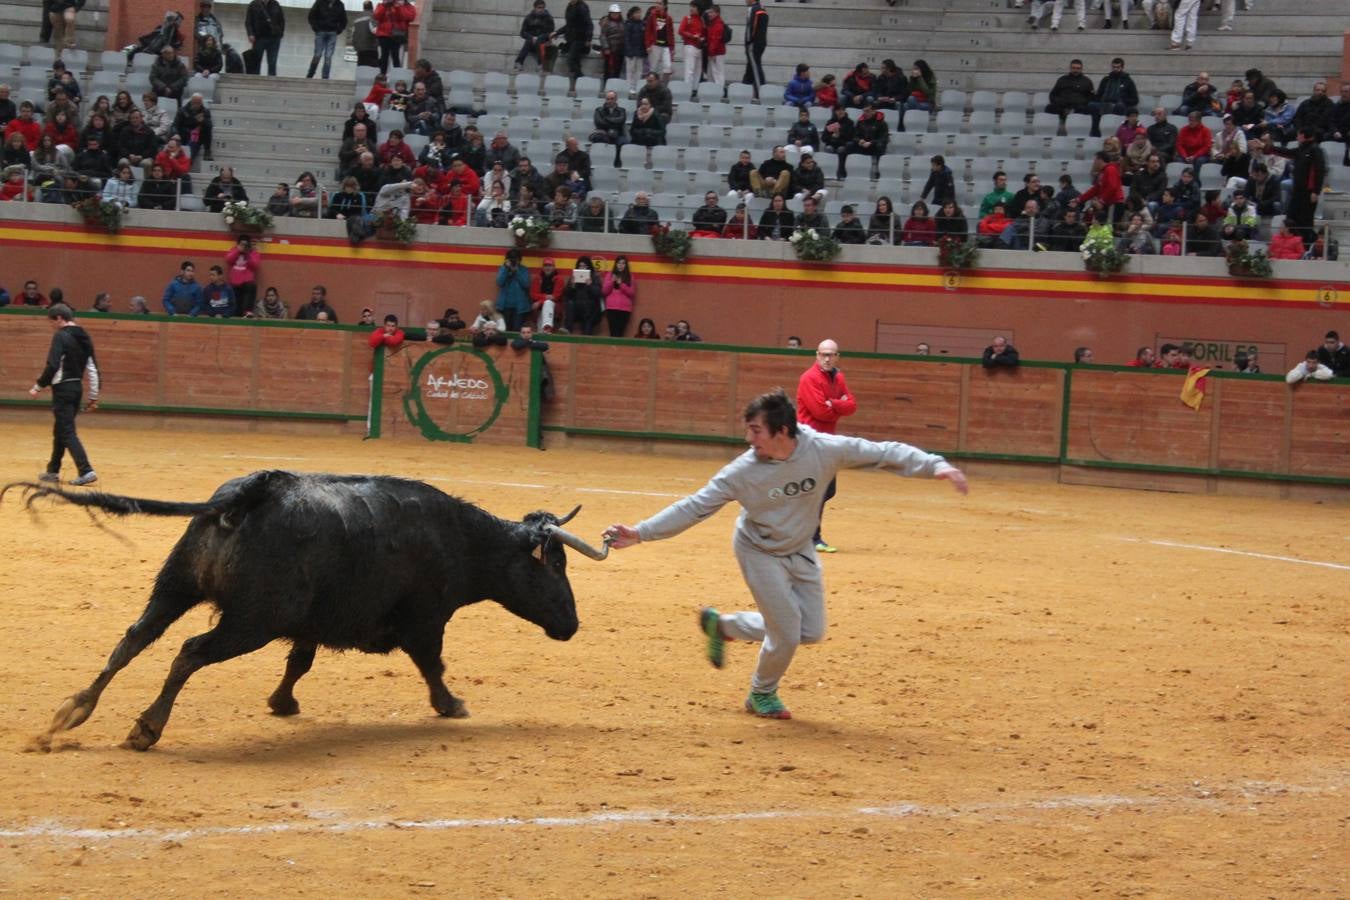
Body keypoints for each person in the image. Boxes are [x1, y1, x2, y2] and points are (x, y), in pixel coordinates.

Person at [602, 389, 967, 720]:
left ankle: (725, 626)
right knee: (787, 632)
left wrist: (935, 464)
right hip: (758, 549)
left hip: (799, 548)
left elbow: (884, 452)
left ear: (782, 431)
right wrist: (641, 533)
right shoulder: (742, 471)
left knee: (809, 631)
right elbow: (695, 506)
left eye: (756, 431)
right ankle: (761, 693)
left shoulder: (823, 449)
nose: (749, 439)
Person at [795, 339, 856, 553]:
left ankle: (806, 535)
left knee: (826, 490)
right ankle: (811, 537)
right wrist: (837, 404)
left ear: (838, 356)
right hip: (810, 442)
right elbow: (820, 411)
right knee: (816, 490)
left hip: (827, 443)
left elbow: (852, 405)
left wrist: (835, 404)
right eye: (824, 354)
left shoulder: (838, 377)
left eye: (831, 354)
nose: (827, 358)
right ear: (817, 355)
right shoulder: (809, 378)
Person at [28, 303, 99, 486]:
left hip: (63, 390)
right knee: (61, 429)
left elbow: (52, 365)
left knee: (66, 431)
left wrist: (38, 385)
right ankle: (53, 470)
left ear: (59, 318)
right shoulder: (84, 336)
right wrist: (93, 395)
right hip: (77, 388)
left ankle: (86, 470)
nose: (51, 325)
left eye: (52, 321)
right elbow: (92, 368)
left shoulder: (61, 336)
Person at [307, 0, 349, 79]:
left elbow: (344, 20)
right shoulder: (320, 2)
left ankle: (325, 77)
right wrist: (315, 28)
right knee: (317, 54)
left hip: (332, 33)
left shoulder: (340, 4)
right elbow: (311, 16)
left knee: (328, 56)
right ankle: (310, 74)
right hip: (320, 31)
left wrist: (338, 30)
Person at [374, 0, 417, 74]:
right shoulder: (382, 5)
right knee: (384, 57)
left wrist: (398, 7)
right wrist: (384, 5)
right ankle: (382, 76)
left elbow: (405, 17)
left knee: (396, 57)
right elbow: (376, 16)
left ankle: (397, 77)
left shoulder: (408, 6)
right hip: (384, 34)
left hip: (397, 35)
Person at [245, 0, 287, 77]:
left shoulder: (275, 4)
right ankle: (255, 80)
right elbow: (248, 21)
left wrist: (280, 33)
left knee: (272, 62)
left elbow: (282, 20)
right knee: (256, 61)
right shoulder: (254, 4)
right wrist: (250, 34)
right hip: (259, 38)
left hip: (274, 38)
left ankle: (271, 81)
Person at [515, 0, 556, 73]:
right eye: (539, 7)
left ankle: (541, 64)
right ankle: (519, 63)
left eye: (543, 8)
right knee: (529, 40)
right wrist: (532, 37)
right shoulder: (529, 18)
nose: (541, 9)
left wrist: (539, 37)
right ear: (534, 8)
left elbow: (550, 33)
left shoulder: (548, 18)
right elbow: (522, 32)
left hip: (543, 43)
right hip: (531, 42)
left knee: (539, 40)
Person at [495, 248, 532, 331]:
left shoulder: (523, 269)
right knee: (505, 329)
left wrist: (517, 272)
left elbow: (526, 284)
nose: (514, 261)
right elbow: (499, 282)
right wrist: (505, 268)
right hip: (505, 306)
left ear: (519, 260)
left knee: (516, 330)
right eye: (511, 259)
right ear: (507, 260)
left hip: (520, 307)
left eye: (516, 259)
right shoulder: (503, 268)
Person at [602, 254, 636, 336]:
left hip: (624, 309)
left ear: (626, 265)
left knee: (620, 333)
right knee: (613, 333)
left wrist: (621, 284)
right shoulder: (610, 275)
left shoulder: (630, 276)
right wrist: (612, 281)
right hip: (611, 308)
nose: (621, 265)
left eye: (623, 263)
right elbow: (604, 291)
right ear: (616, 264)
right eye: (619, 263)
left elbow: (631, 293)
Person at [741, 0, 768, 100]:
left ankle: (760, 92)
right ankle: (744, 89)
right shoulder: (762, 9)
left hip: (753, 44)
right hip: (761, 42)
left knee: (755, 67)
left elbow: (751, 28)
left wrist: (748, 42)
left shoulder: (753, 9)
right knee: (750, 68)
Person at [351, 1, 379, 69]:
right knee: (371, 69)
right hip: (370, 47)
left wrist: (355, 45)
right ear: (372, 7)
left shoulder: (357, 18)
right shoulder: (372, 16)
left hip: (359, 48)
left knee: (361, 67)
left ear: (363, 7)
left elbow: (353, 33)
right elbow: (375, 30)